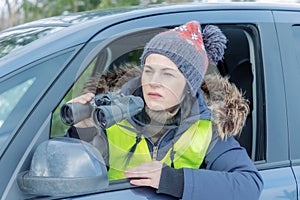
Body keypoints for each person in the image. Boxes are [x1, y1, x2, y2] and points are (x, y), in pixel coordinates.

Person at [66, 21, 263, 199]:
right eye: (149, 71)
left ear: (189, 85)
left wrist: (174, 180)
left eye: (167, 74)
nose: (153, 82)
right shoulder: (110, 115)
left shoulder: (208, 128)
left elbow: (250, 185)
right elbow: (71, 178)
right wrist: (82, 131)